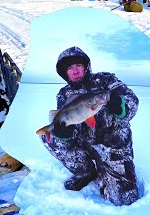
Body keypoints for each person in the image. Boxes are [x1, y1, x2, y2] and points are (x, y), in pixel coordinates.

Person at [39, 46, 140, 206]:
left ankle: (109, 172)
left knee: (125, 200)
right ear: (65, 73)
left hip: (113, 147)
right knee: (49, 136)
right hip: (85, 144)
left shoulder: (105, 80)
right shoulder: (64, 94)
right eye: (70, 68)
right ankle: (86, 172)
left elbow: (132, 101)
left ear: (86, 66)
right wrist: (64, 132)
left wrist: (121, 106)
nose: (75, 71)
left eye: (78, 65)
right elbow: (70, 125)